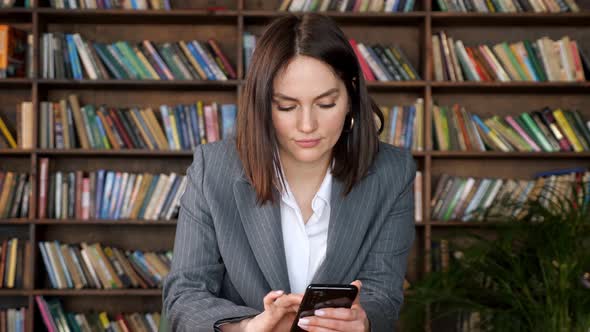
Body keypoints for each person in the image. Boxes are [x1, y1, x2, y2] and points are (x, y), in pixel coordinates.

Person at [162, 13, 416, 332]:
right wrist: (245, 328)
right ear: (263, 104)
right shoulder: (212, 169)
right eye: (286, 106)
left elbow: (384, 295)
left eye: (325, 104)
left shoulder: (393, 172)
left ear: (351, 95)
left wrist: (361, 322)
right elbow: (184, 295)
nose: (307, 125)